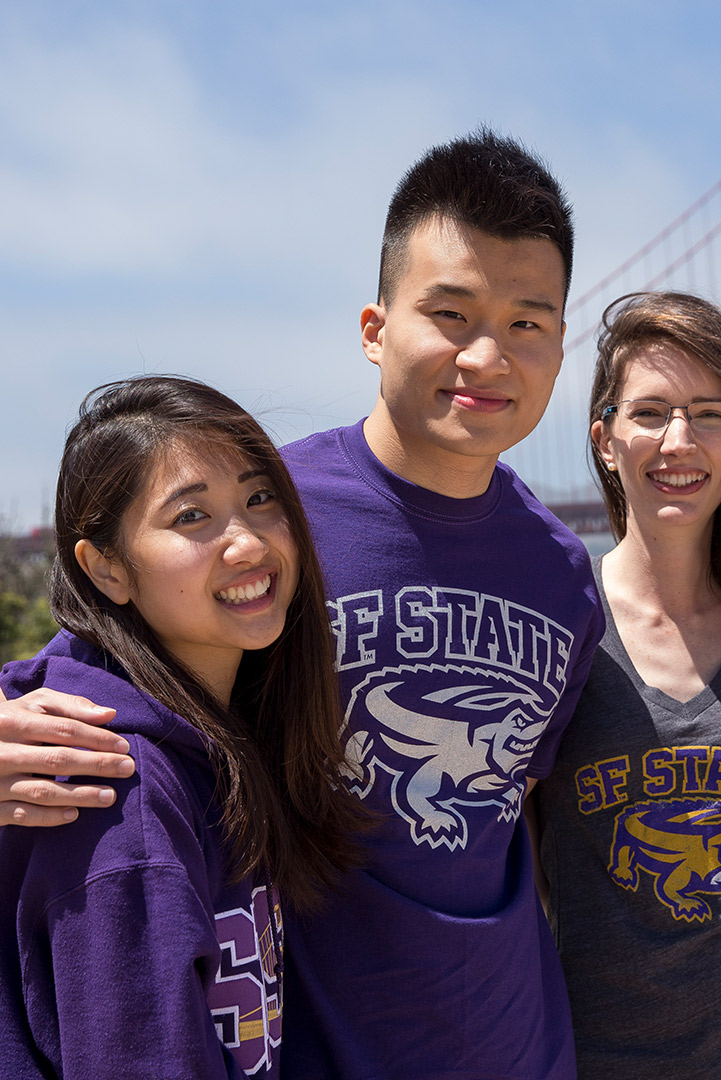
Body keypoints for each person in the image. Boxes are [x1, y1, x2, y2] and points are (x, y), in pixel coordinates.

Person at [0, 131, 604, 1079]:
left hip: (519, 1044)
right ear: (374, 328)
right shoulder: (266, 519)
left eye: (529, 322)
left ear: (562, 347)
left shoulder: (566, 576)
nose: (488, 354)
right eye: (450, 312)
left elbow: (513, 809)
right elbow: (99, 679)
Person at [0, 376, 359, 1078]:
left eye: (261, 499)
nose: (248, 542)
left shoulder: (222, 739)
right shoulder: (113, 786)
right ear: (106, 570)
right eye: (192, 518)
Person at [531, 292, 721, 1078]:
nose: (678, 441)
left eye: (707, 414)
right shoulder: (557, 630)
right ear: (604, 438)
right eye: (651, 412)